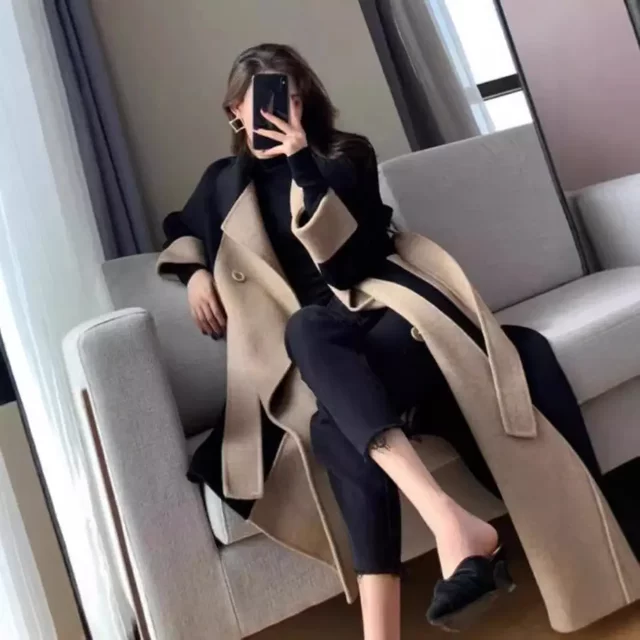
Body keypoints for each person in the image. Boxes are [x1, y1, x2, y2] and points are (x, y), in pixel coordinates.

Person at [158, 44, 639, 638]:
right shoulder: (223, 184)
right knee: (321, 383)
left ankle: (435, 552)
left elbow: (347, 265)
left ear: (306, 100)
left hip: (389, 312)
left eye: (292, 97)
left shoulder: (344, 156)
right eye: (261, 102)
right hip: (327, 348)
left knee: (324, 379)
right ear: (235, 110)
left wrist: (302, 162)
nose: (281, 111)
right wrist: (195, 274)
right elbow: (179, 226)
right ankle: (450, 534)